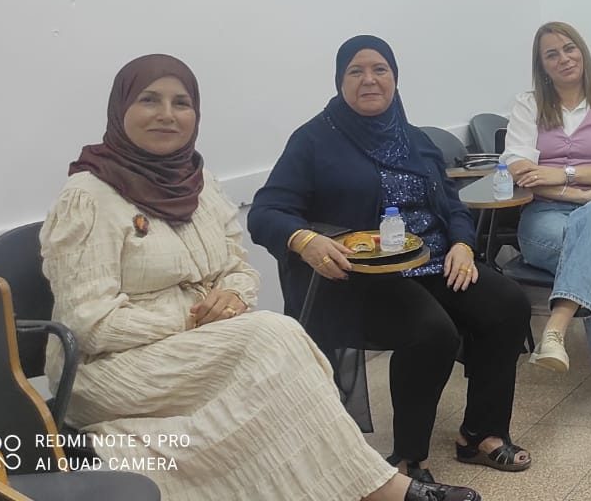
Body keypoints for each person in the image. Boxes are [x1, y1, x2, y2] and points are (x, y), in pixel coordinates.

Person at [42, 54, 480, 501]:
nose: (167, 115)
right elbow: (89, 323)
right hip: (109, 368)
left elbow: (238, 269)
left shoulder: (199, 184)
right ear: (120, 109)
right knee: (275, 339)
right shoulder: (88, 197)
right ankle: (377, 488)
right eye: (149, 100)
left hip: (196, 347)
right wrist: (195, 317)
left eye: (181, 103)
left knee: (274, 372)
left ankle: (364, 486)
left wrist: (232, 296)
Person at [249, 36, 533, 480]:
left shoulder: (415, 140)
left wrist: (462, 244)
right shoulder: (313, 140)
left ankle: (481, 434)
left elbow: (453, 206)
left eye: (380, 69)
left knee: (508, 304)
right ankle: (408, 459)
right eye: (356, 71)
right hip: (365, 277)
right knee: (431, 332)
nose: (369, 80)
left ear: (395, 79)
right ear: (339, 81)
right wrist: (305, 240)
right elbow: (266, 212)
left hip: (434, 262)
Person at [501, 21, 591, 440]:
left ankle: (557, 324)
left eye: (569, 49)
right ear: (542, 65)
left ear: (582, 52)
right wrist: (582, 192)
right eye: (552, 54)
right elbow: (518, 168)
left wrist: (562, 173)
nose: (563, 58)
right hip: (547, 218)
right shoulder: (529, 105)